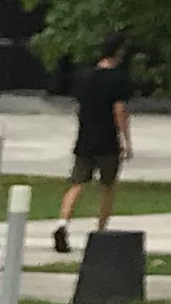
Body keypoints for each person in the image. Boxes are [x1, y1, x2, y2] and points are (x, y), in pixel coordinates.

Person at [55, 37, 135, 256]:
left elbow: (80, 107)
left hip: (85, 137)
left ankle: (62, 223)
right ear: (118, 53)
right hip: (107, 139)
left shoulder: (84, 76)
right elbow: (119, 110)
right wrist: (126, 141)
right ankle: (100, 230)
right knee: (108, 186)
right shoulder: (119, 79)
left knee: (77, 183)